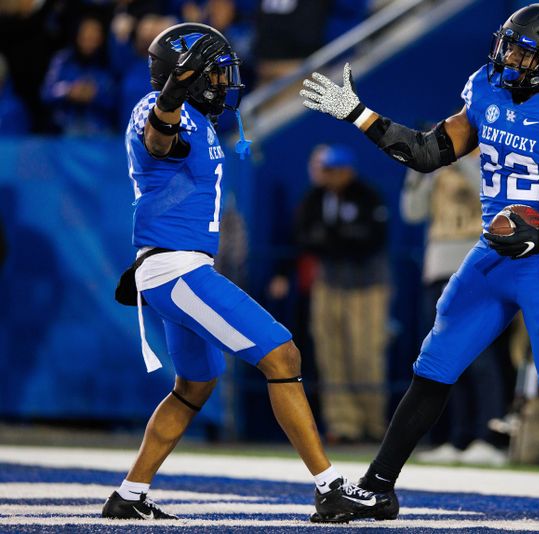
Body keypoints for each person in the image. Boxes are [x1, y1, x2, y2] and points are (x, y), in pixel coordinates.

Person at [300, 3, 539, 529]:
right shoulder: (487, 90)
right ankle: (378, 488)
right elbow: (429, 153)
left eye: (522, 49)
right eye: (508, 44)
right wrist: (359, 115)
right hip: (492, 256)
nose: (507, 56)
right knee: (433, 369)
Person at [102, 22, 390, 523]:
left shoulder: (197, 117)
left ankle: (129, 495)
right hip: (176, 268)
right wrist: (170, 97)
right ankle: (329, 488)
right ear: (182, 77)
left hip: (174, 265)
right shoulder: (161, 108)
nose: (223, 83)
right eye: (212, 74)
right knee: (282, 354)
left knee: (195, 386)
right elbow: (158, 140)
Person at [402, 153, 508, 466]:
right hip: (438, 269)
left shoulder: (491, 161)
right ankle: (457, 437)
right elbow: (412, 211)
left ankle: (490, 438)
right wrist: (419, 171)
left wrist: (461, 162)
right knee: (447, 358)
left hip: (476, 267)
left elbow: (489, 195)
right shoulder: (437, 170)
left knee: (481, 358)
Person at [295, 144, 390, 445]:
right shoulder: (314, 198)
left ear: (348, 170)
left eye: (335, 170)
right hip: (330, 282)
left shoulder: (367, 195)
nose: (330, 176)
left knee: (365, 354)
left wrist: (332, 238)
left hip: (367, 286)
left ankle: (372, 423)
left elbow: (371, 239)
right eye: (327, 170)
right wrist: (338, 238)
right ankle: (342, 423)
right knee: (330, 354)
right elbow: (304, 236)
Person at [40, 15, 117, 135]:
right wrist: (68, 91)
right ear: (77, 36)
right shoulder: (63, 60)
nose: (89, 41)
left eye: (94, 37)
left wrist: (95, 95)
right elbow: (46, 93)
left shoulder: (108, 62)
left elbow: (115, 100)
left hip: (99, 133)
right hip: (63, 130)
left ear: (101, 39)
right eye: (85, 36)